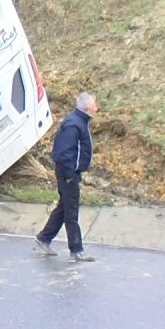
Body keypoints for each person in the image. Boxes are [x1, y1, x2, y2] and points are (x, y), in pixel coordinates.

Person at [35, 93, 98, 262]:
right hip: (67, 173)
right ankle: (76, 250)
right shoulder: (74, 124)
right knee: (71, 212)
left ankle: (44, 238)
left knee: (64, 208)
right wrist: (70, 175)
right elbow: (64, 153)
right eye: (94, 105)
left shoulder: (78, 121)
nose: (96, 108)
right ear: (87, 108)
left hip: (69, 172)